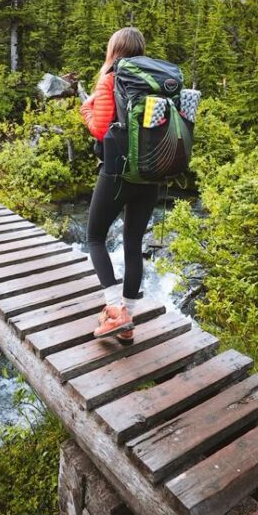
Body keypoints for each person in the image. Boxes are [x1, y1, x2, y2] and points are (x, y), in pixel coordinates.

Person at [80, 26, 159, 341]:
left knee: (95, 238)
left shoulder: (111, 77)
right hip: (151, 174)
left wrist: (86, 109)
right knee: (133, 244)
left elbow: (100, 130)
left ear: (114, 50)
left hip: (117, 171)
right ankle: (126, 321)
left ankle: (115, 310)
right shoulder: (154, 82)